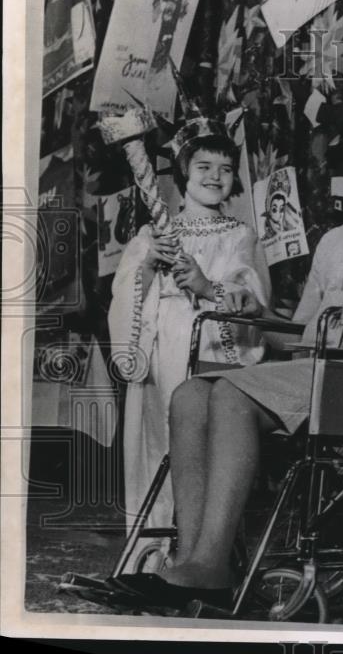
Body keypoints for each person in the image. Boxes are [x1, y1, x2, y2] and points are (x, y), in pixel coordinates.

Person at [110, 91, 343, 607]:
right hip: (331, 369)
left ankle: (212, 565)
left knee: (233, 399)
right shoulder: (335, 241)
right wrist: (240, 306)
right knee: (190, 394)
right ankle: (189, 560)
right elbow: (296, 335)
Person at [108, 133, 270, 536]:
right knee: (156, 443)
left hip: (211, 347)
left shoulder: (240, 235)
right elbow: (127, 293)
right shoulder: (154, 234)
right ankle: (153, 551)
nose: (215, 176)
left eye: (226, 169)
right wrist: (147, 265)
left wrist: (206, 286)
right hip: (161, 347)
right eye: (204, 167)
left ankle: (200, 545)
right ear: (184, 173)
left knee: (201, 446)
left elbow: (249, 297)